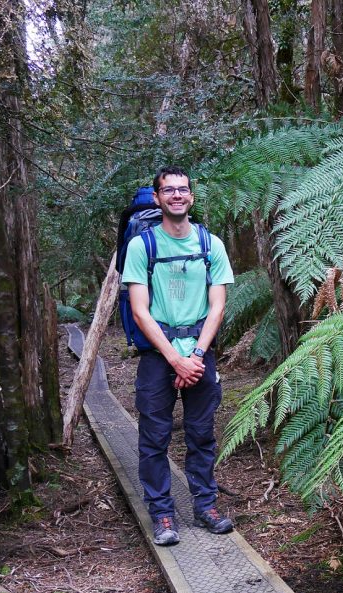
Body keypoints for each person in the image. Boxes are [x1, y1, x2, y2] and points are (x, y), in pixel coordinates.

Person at [124, 166, 235, 546]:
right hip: (159, 356)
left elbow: (217, 306)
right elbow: (140, 310)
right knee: (153, 438)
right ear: (156, 198)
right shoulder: (142, 246)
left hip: (200, 353)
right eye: (168, 190)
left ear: (191, 196)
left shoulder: (211, 245)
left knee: (201, 435)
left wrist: (197, 355)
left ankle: (206, 506)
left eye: (182, 190)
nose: (176, 195)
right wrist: (176, 360)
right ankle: (163, 514)